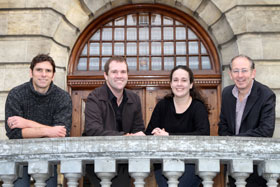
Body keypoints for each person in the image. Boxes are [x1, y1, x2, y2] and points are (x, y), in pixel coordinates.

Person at [5, 54, 72, 186]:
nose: (43, 74)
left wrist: (26, 123)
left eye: (48, 71)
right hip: (20, 156)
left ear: (53, 75)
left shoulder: (62, 97)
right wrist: (49, 131)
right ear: (31, 72)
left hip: (48, 157)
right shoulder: (16, 94)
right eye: (39, 70)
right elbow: (14, 134)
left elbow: (61, 134)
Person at [83, 56, 145, 186]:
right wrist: (125, 136)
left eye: (123, 72)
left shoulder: (134, 98)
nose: (119, 76)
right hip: (98, 160)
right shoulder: (94, 97)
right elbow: (93, 130)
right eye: (114, 72)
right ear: (106, 75)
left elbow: (138, 129)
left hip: (124, 163)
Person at [145, 65, 210, 187]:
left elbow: (203, 134)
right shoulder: (162, 106)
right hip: (164, 163)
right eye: (175, 80)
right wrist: (156, 133)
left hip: (191, 164)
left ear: (191, 84)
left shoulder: (198, 107)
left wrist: (168, 136)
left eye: (184, 80)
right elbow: (149, 132)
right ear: (170, 84)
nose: (179, 84)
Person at [218, 54, 276, 186]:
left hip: (257, 166)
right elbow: (223, 126)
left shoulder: (266, 95)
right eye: (236, 71)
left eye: (244, 70)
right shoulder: (226, 93)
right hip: (233, 164)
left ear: (253, 73)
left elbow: (265, 131)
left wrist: (235, 140)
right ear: (230, 74)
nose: (240, 75)